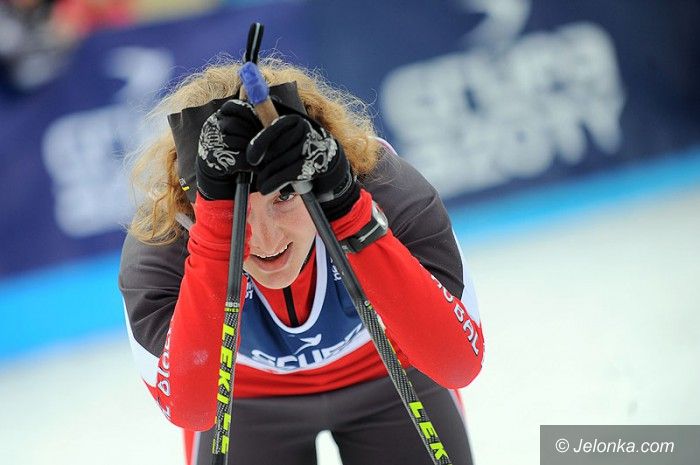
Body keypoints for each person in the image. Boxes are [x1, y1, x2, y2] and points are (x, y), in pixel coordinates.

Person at [119, 57, 485, 465]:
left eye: (285, 196)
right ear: (192, 205)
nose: (267, 240)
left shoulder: (381, 187)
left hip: (389, 369)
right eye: (239, 214)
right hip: (244, 399)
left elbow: (457, 364)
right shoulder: (165, 237)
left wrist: (349, 211)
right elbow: (191, 409)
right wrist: (216, 234)